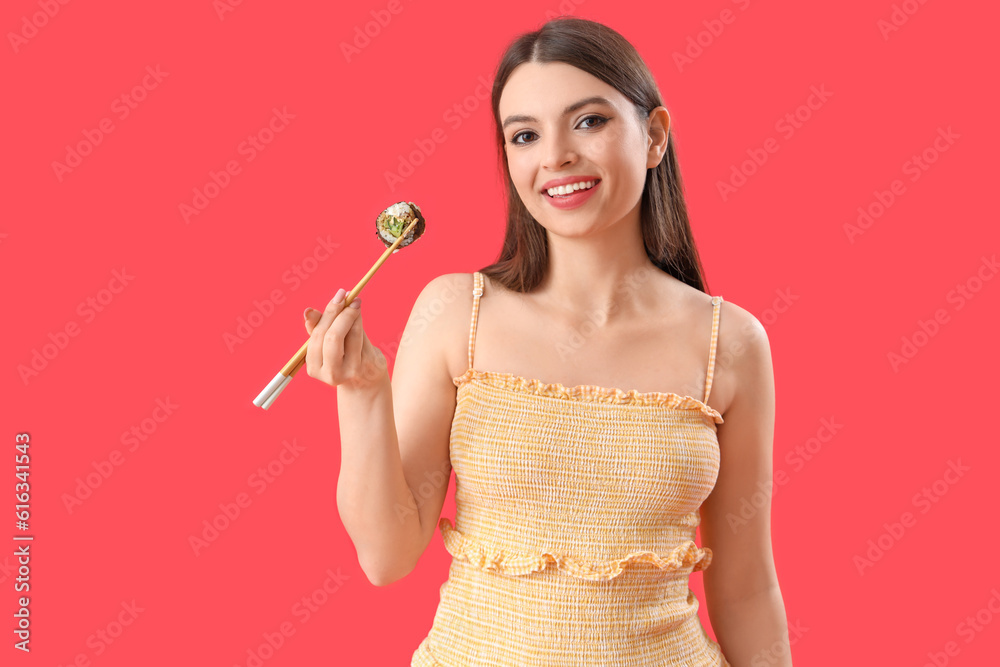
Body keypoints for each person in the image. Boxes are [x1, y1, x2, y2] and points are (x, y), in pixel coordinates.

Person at [302, 16, 791, 667]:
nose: (555, 155)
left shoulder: (729, 343)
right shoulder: (455, 313)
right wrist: (362, 393)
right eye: (525, 135)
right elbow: (387, 556)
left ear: (654, 136)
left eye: (588, 121)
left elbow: (748, 586)